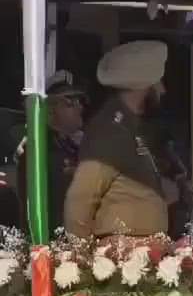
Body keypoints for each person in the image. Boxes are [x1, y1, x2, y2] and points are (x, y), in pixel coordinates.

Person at [64, 41, 169, 240]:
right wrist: (80, 257)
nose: (162, 89)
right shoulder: (110, 130)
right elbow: (81, 198)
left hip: (139, 252)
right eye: (157, 81)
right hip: (122, 255)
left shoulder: (130, 126)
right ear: (141, 84)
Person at [15, 71, 86, 233]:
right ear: (50, 111)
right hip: (53, 240)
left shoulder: (68, 143)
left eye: (78, 101)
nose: (80, 107)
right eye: (70, 102)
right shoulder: (42, 148)